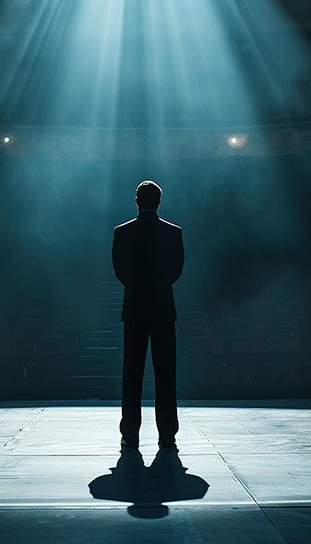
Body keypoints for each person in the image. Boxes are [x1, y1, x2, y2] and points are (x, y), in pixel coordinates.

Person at [111, 180, 184, 449]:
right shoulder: (173, 233)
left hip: (134, 308)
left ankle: (130, 431)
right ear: (159, 201)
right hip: (164, 308)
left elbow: (119, 269)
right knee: (166, 373)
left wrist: (137, 287)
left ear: (137, 201)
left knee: (132, 373)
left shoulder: (122, 232)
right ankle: (167, 432)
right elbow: (177, 270)